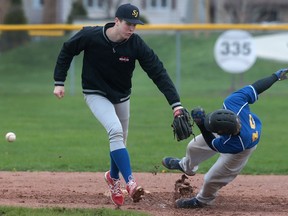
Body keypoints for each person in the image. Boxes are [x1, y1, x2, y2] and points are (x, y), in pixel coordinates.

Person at [53, 3, 187, 207]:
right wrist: (59, 81)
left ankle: (112, 178)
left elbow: (158, 72)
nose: (132, 28)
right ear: (116, 21)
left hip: (122, 96)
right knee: (114, 131)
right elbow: (67, 50)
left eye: (135, 24)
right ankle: (130, 183)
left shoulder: (136, 44)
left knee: (120, 141)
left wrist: (175, 104)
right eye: (128, 23)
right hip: (95, 93)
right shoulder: (91, 36)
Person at [162, 68, 288, 208]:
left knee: (212, 178)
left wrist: (201, 125)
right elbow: (256, 88)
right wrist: (275, 76)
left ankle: (203, 200)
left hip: (244, 148)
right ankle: (186, 166)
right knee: (194, 146)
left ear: (221, 133)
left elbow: (212, 144)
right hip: (237, 129)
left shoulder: (237, 142)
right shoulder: (233, 101)